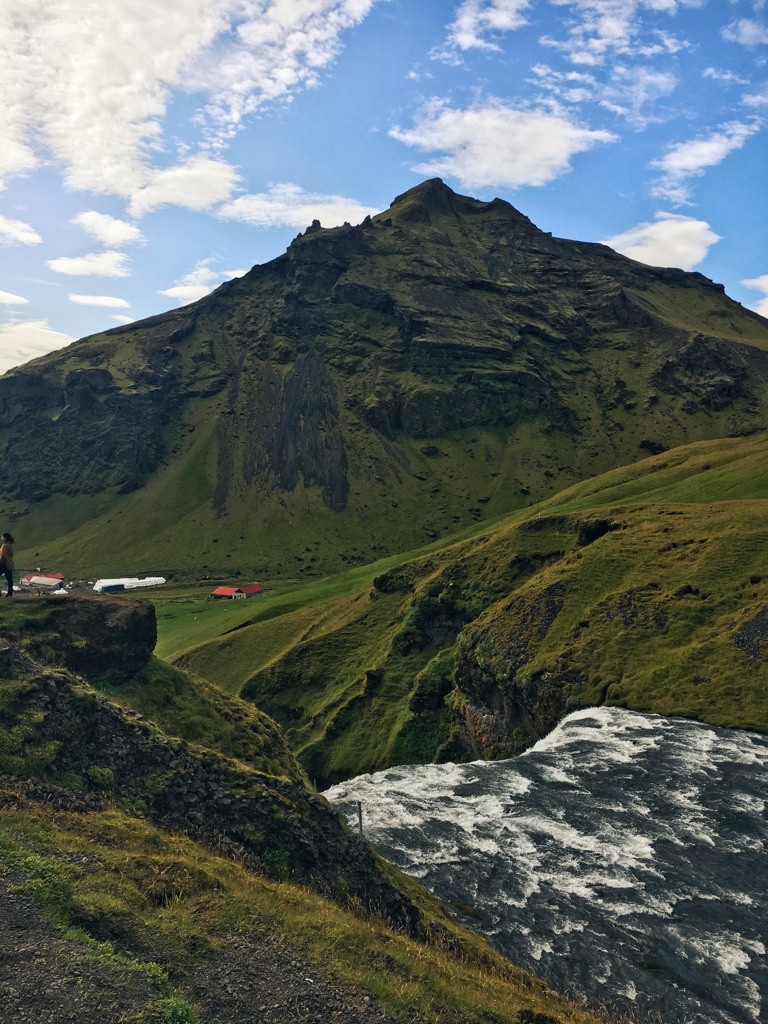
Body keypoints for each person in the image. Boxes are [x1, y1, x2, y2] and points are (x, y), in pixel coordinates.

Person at [0, 532, 14, 597]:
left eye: (2, 537)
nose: (1, 538)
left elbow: (3, 555)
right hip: (10, 564)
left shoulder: (4, 546)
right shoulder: (11, 545)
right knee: (9, 579)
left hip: (3, 564)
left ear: (5, 538)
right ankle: (10, 592)